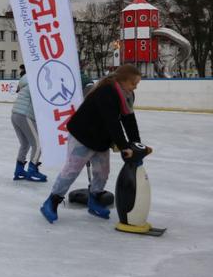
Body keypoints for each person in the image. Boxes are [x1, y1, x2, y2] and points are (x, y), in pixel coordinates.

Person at [40, 64, 151, 223]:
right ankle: (52, 201)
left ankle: (94, 200)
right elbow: (112, 121)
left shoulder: (128, 95)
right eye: (134, 83)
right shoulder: (106, 91)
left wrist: (135, 144)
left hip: (101, 138)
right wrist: (124, 146)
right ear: (122, 81)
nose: (136, 87)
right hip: (82, 135)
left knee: (102, 172)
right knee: (71, 170)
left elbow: (129, 120)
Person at [11, 73, 46, 181]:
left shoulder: (25, 82)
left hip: (15, 114)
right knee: (38, 145)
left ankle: (19, 169)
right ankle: (32, 170)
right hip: (25, 115)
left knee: (25, 144)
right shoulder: (35, 83)